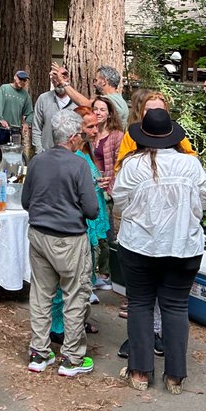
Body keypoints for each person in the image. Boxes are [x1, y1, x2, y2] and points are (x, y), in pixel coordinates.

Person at [113, 108, 206, 395]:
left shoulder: (133, 165)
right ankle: (175, 376)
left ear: (142, 137)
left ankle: (140, 372)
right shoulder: (191, 165)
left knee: (140, 304)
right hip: (183, 245)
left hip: (139, 245)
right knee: (176, 306)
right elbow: (205, 201)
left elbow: (119, 202)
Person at [22, 109, 99, 377]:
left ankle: (39, 352)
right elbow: (92, 210)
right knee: (74, 295)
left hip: (39, 234)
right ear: (74, 137)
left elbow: (26, 201)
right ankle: (72, 358)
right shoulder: (79, 165)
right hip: (69, 238)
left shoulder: (37, 161)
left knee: (41, 295)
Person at [90, 96, 125, 287]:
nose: (98, 113)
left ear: (109, 113)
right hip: (89, 187)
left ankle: (105, 272)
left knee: (106, 231)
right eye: (95, 109)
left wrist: (110, 182)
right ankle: (92, 269)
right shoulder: (90, 132)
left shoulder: (116, 135)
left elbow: (120, 164)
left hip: (107, 189)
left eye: (102, 110)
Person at [57, 64, 129, 127]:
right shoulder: (119, 100)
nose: (94, 84)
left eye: (96, 80)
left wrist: (62, 82)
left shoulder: (109, 100)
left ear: (104, 82)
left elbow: (84, 103)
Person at [32, 67, 79, 153]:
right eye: (56, 78)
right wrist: (40, 152)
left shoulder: (77, 101)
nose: (60, 81)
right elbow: (36, 128)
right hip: (47, 153)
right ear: (52, 81)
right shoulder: (43, 99)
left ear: (69, 79)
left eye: (64, 77)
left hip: (71, 155)